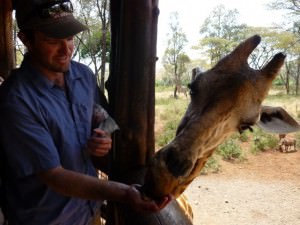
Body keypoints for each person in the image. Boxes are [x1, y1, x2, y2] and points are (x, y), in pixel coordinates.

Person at [0, 0, 171, 224]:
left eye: (69, 38)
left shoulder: (83, 76)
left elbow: (105, 117)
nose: (66, 50)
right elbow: (54, 176)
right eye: (52, 40)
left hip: (89, 212)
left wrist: (104, 133)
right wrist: (124, 193)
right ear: (25, 40)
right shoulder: (16, 100)